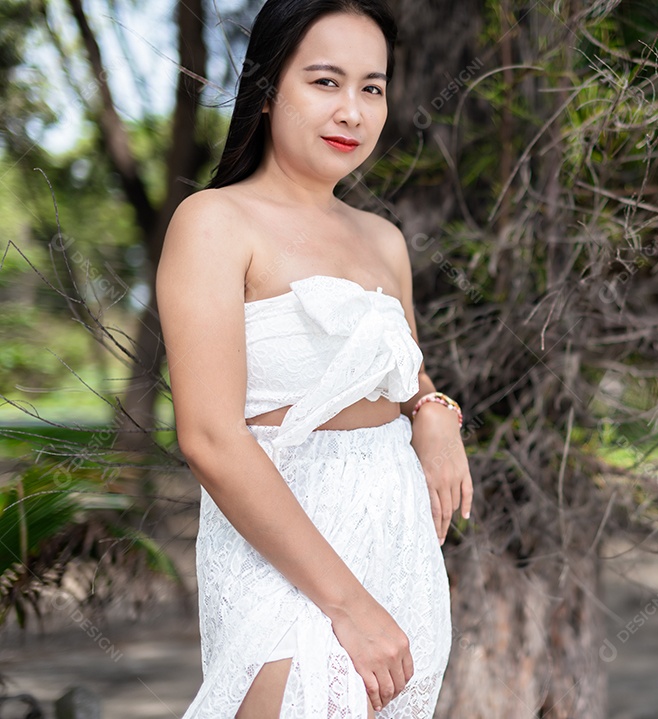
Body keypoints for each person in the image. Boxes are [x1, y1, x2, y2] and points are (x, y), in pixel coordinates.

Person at [156, 1, 472, 716]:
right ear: (268, 91)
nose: (353, 112)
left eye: (372, 87)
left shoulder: (382, 239)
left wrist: (432, 410)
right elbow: (209, 438)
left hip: (399, 541)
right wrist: (350, 606)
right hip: (281, 542)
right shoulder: (214, 222)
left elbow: (396, 366)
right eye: (326, 82)